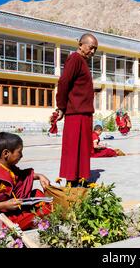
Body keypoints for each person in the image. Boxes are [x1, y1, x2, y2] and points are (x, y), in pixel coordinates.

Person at [0, 132, 51, 234]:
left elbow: (21, 177)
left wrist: (39, 176)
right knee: (37, 214)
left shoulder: (7, 167)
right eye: (19, 152)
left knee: (38, 194)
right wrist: (4, 205)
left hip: (11, 209)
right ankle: (36, 219)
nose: (22, 155)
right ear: (6, 153)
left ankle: (34, 217)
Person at [56, 33, 98, 187]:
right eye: (91, 47)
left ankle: (81, 177)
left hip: (84, 112)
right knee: (73, 147)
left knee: (83, 148)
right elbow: (64, 82)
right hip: (76, 112)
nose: (93, 52)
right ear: (81, 44)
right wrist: (61, 107)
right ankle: (71, 180)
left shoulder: (82, 62)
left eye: (95, 49)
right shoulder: (74, 58)